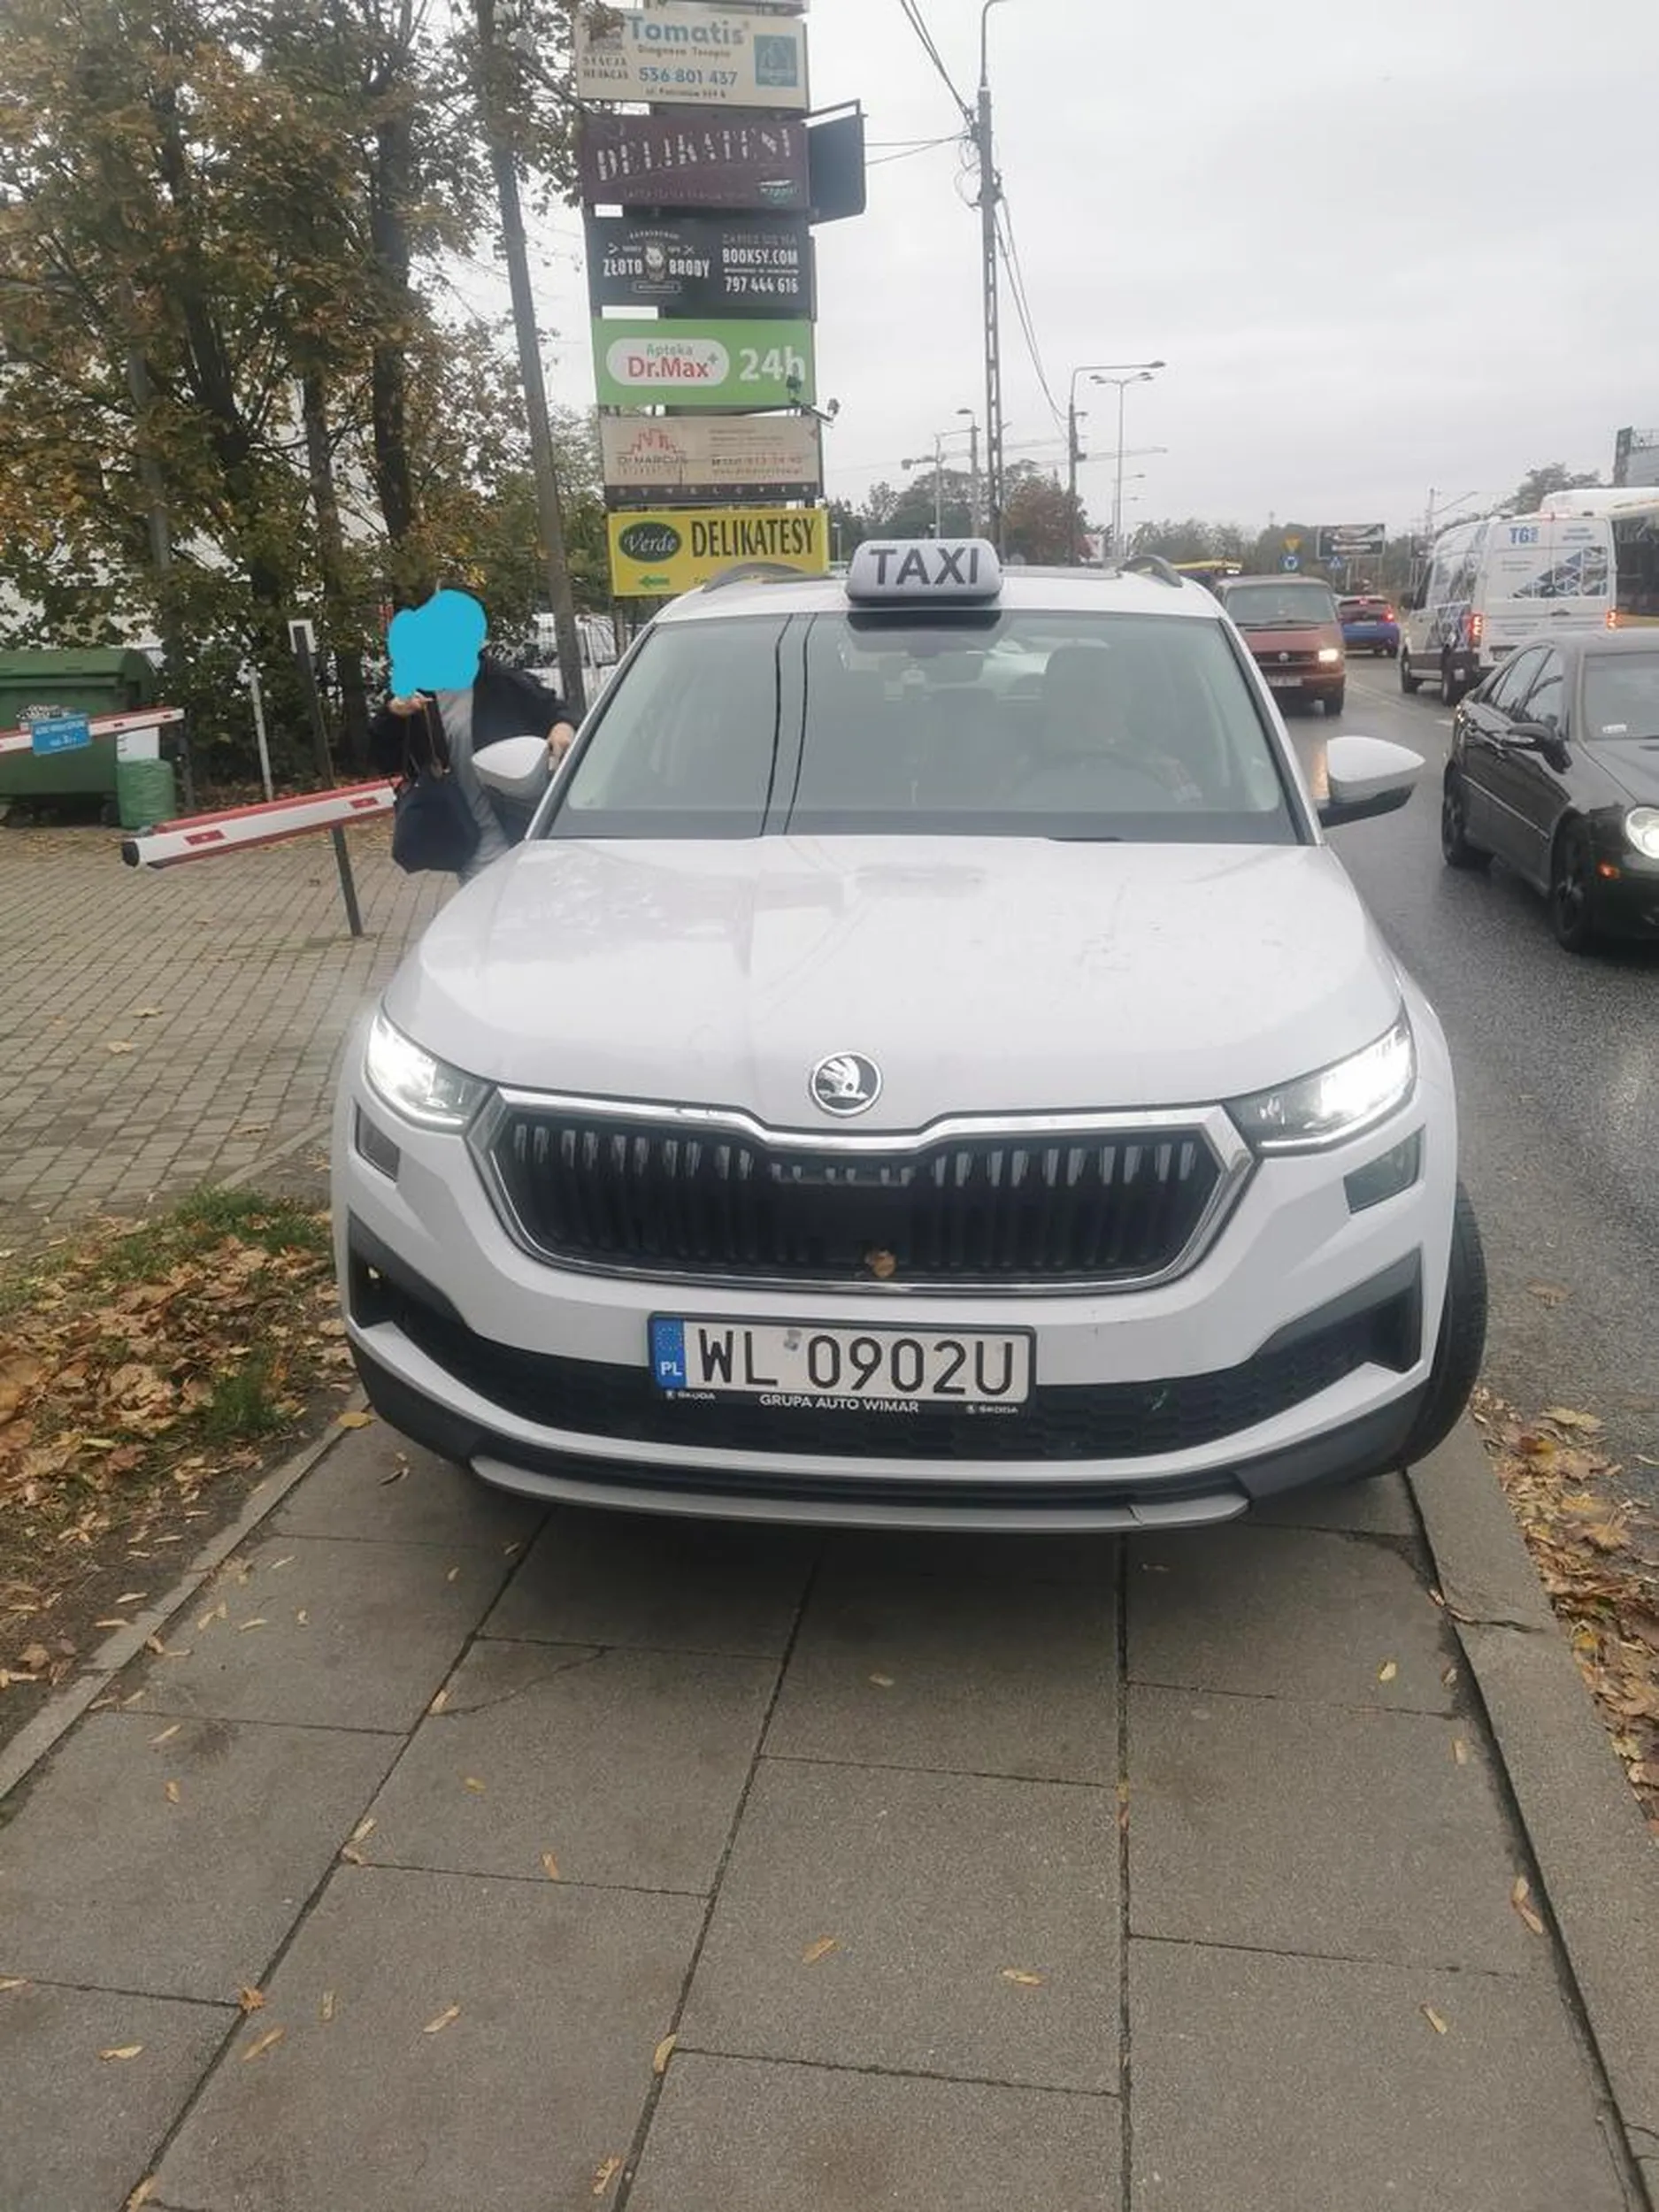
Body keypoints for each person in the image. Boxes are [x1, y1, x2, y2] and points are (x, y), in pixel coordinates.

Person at [368, 654, 577, 884]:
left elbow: (555, 710)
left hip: (527, 827)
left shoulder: (499, 681)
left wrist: (562, 726)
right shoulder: (414, 693)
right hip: (474, 839)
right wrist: (392, 714)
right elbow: (382, 758)